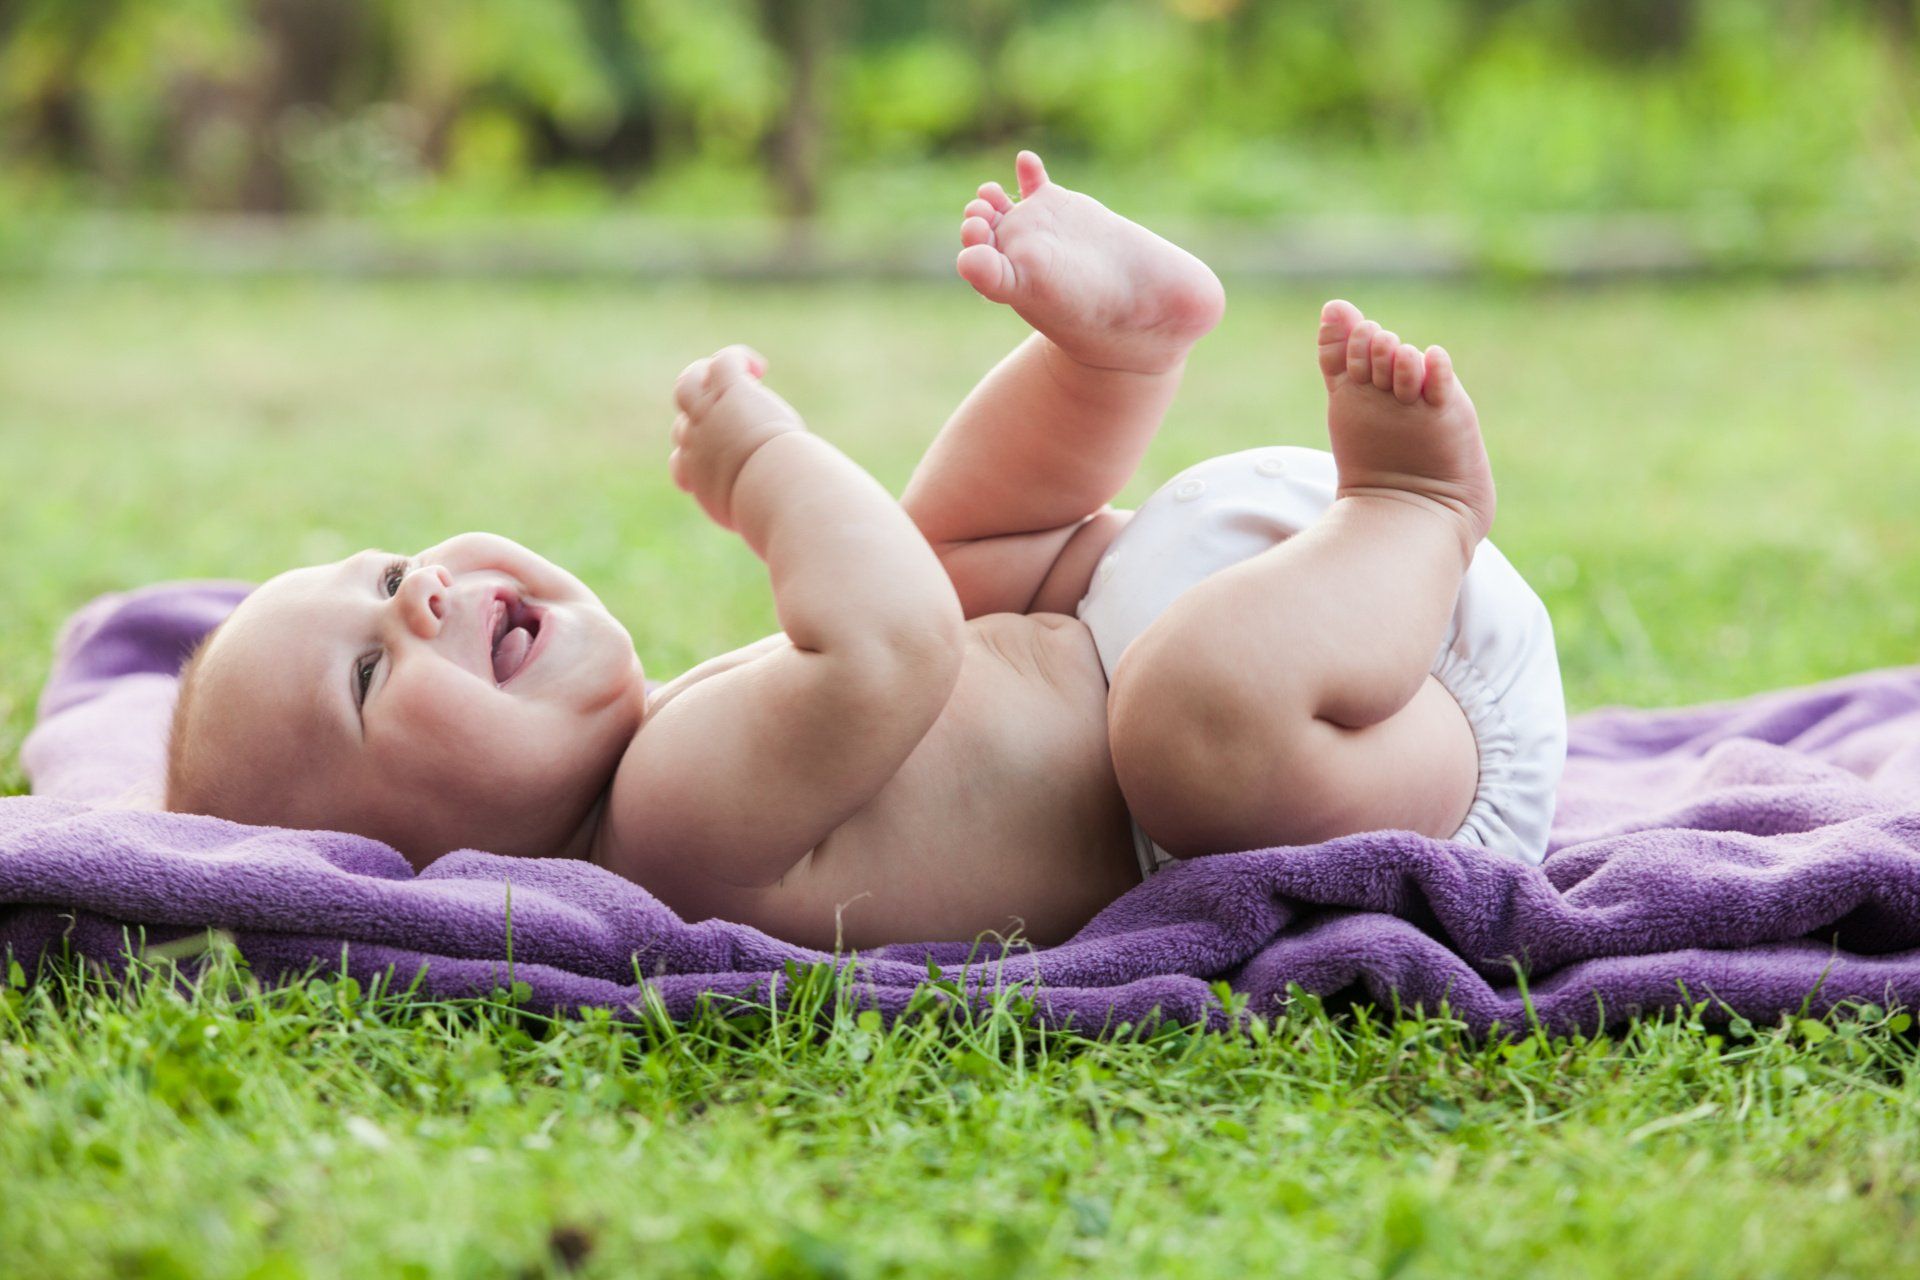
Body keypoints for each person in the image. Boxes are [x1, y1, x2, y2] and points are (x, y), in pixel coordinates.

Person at [166, 152, 1564, 950]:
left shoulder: (666, 754)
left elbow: (914, 612)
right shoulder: (665, 827)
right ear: (420, 866)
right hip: (1383, 727)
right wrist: (765, 472)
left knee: (954, 558)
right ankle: (1422, 504)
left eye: (386, 566)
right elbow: (893, 644)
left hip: (1191, 615)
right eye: (365, 672)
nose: (415, 593)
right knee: (1170, 723)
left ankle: (1114, 364)